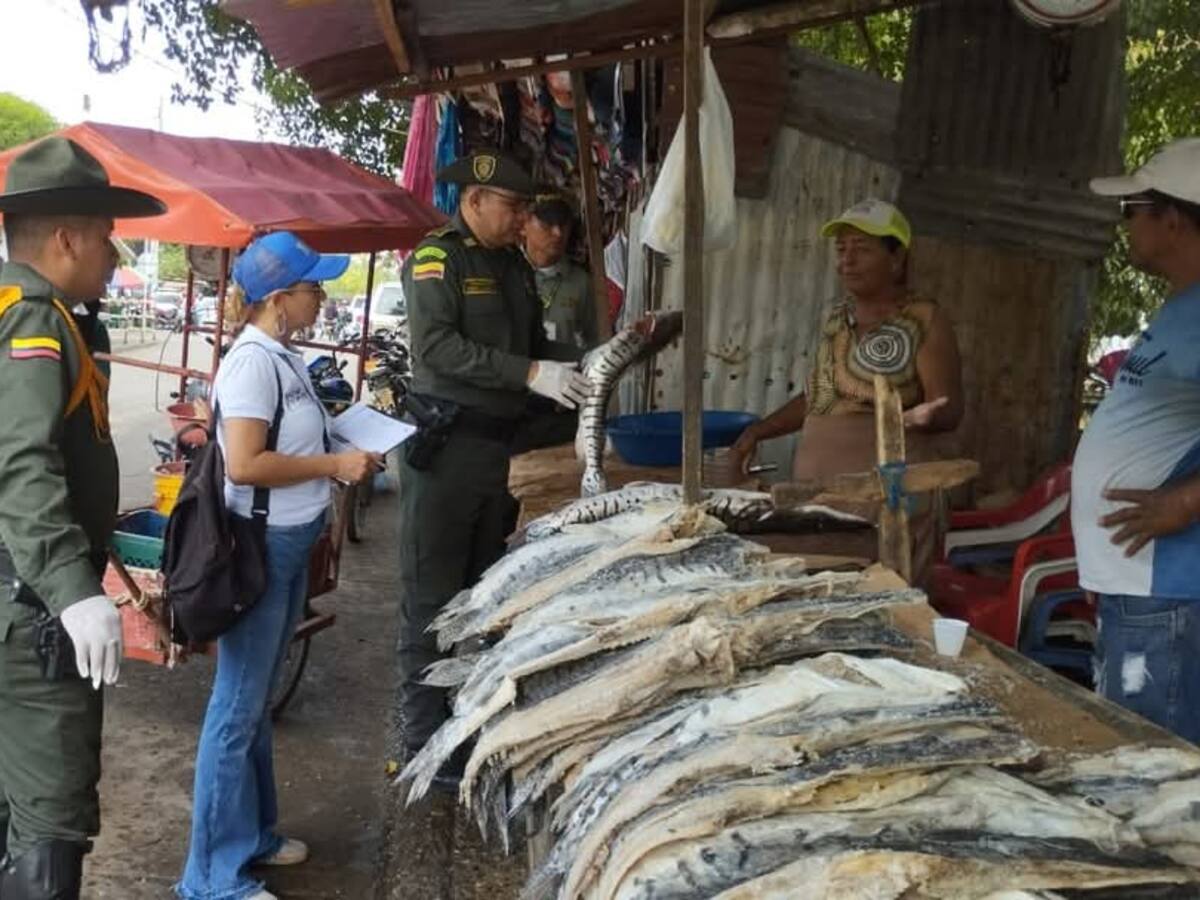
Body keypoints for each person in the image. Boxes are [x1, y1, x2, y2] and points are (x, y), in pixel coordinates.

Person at [176, 232, 380, 900]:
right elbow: (244, 464)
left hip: (291, 543)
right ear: (278, 298)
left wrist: (345, 443)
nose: (321, 297)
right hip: (260, 547)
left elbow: (288, 441)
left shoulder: (281, 357)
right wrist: (334, 463)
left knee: (257, 699)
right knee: (236, 708)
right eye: (312, 287)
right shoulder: (251, 364)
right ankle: (210, 876)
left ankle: (253, 835)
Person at [0, 137, 165, 898]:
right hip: (30, 608)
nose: (113, 254)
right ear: (66, 239)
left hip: (15, 591)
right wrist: (73, 590)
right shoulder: (33, 320)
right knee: (50, 821)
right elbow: (22, 465)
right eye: (105, 236)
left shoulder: (41, 313)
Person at [397, 151, 587, 779]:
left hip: (499, 454)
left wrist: (582, 358)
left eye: (526, 208)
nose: (522, 219)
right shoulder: (438, 258)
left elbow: (528, 346)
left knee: (481, 596)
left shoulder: (511, 265)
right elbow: (436, 346)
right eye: (513, 206)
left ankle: (464, 723)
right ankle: (423, 742)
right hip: (446, 452)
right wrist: (530, 372)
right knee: (433, 597)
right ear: (474, 201)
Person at [727, 199, 963, 581]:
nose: (847, 261)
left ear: (896, 258)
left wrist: (923, 417)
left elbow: (949, 408)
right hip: (819, 499)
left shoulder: (923, 320)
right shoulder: (839, 318)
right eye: (841, 249)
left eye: (862, 249)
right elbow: (819, 397)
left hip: (884, 500)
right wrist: (759, 431)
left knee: (884, 596)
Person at [1071, 138, 1200, 743]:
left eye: (1132, 209)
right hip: (1138, 586)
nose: (1124, 224)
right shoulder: (1182, 309)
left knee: (1154, 766)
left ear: (1173, 219)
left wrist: (1185, 501)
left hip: (1167, 588)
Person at [524, 187, 599, 350]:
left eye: (563, 224)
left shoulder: (581, 282)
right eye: (547, 224)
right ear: (524, 225)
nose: (558, 233)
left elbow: (595, 342)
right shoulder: (508, 272)